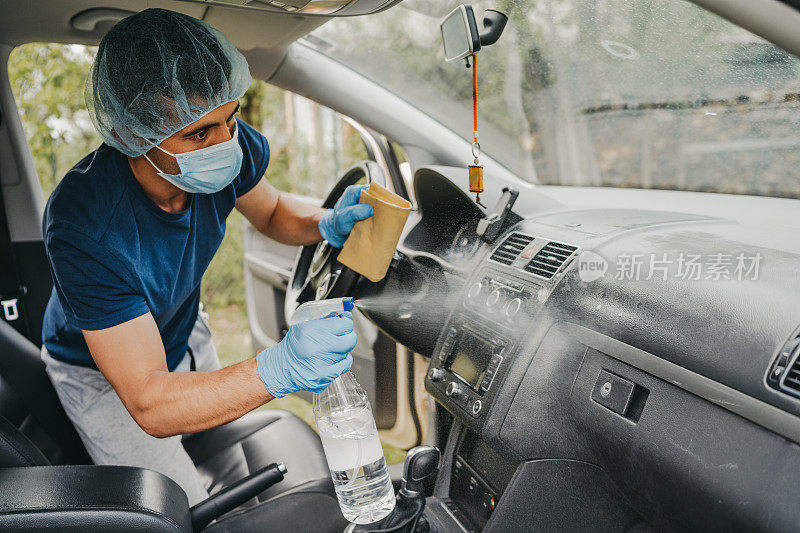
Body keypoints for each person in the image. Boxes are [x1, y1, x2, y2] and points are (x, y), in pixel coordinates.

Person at [39, 8, 373, 504]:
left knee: (219, 452)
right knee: (182, 506)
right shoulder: (84, 223)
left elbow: (274, 210)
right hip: (103, 376)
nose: (226, 143)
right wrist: (278, 367)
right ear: (135, 136)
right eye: (198, 134)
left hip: (182, 331)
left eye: (230, 119)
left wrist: (323, 223)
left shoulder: (225, 148)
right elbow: (150, 401)